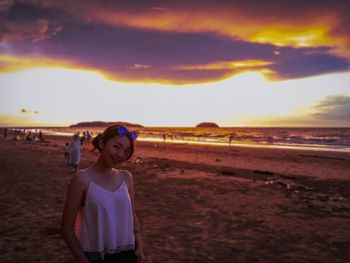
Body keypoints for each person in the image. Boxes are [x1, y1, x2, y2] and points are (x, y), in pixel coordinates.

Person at [61, 125, 145, 263]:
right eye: (116, 147)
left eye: (126, 151)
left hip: (129, 254)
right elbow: (66, 228)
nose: (120, 155)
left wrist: (139, 246)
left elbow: (132, 213)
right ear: (102, 143)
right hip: (97, 256)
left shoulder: (126, 177)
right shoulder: (82, 179)